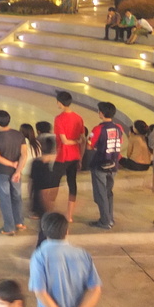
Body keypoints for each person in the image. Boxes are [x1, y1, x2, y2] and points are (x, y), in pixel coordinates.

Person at [29, 213, 102, 307]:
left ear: (44, 231)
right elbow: (95, 289)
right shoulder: (83, 254)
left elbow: (40, 292)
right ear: (67, 231)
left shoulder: (40, 256)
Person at [87, 101, 125, 230]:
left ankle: (105, 221)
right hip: (114, 165)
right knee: (108, 192)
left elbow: (89, 145)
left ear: (101, 113)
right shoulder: (119, 128)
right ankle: (110, 218)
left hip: (100, 164)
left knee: (100, 193)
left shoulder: (98, 129)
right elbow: (120, 142)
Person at [0, 109, 27, 236]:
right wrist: (17, 171)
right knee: (17, 197)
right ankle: (19, 222)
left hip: (2, 172)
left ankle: (9, 227)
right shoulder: (19, 135)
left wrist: (11, 164)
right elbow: (24, 154)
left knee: (5, 199)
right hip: (16, 172)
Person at [52, 91, 86, 222]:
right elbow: (83, 138)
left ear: (60, 103)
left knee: (54, 183)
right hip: (75, 155)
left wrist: (74, 142)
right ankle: (69, 215)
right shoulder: (79, 118)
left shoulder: (59, 119)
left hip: (63, 156)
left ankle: (49, 210)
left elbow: (64, 140)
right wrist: (80, 156)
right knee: (72, 184)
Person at [28, 134, 60, 219]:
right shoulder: (57, 161)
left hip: (40, 192)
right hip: (52, 191)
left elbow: (32, 181)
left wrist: (29, 194)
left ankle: (38, 213)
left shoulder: (36, 162)